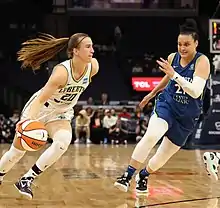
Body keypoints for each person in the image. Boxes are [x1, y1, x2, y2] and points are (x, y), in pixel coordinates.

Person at [114, 19, 210, 194]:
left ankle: (143, 175)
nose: (182, 48)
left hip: (187, 117)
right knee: (151, 135)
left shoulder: (202, 62)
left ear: (196, 43)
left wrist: (174, 75)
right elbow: (167, 79)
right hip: (168, 105)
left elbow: (195, 92)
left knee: (161, 158)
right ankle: (127, 176)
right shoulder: (173, 57)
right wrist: (151, 94)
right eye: (179, 44)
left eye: (187, 44)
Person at [0, 33, 99, 199]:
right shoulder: (61, 72)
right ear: (75, 51)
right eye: (88, 47)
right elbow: (40, 99)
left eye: (92, 46)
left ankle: (27, 179)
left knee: (63, 142)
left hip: (61, 112)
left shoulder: (93, 67)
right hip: (40, 108)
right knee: (17, 152)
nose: (92, 50)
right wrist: (26, 121)